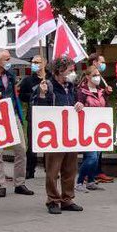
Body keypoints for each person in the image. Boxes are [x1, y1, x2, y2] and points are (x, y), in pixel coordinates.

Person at [33, 56, 86, 214]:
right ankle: (53, 200)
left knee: (70, 169)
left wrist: (79, 104)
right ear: (60, 71)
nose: (73, 73)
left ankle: (67, 199)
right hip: (54, 135)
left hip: (70, 134)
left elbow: (76, 103)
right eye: (70, 70)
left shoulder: (72, 87)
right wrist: (42, 95)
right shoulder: (47, 86)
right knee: (53, 170)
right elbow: (39, 110)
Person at [0, 49, 32, 198]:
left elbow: (14, 93)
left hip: (12, 114)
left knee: (21, 149)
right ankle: (1, 185)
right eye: (7, 59)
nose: (9, 62)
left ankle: (19, 183)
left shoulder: (10, 74)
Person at [77, 59, 110, 191]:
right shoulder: (82, 91)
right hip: (87, 128)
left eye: (98, 75)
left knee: (96, 158)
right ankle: (79, 182)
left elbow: (106, 107)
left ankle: (90, 181)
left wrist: (107, 95)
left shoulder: (101, 91)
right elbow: (79, 104)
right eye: (94, 75)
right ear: (87, 77)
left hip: (100, 128)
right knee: (91, 157)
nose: (97, 77)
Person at [17, 55, 47, 180]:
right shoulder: (28, 80)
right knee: (32, 144)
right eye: (33, 62)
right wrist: (35, 94)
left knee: (48, 144)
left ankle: (49, 168)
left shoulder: (50, 78)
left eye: (37, 62)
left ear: (44, 64)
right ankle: (30, 170)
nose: (34, 64)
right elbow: (22, 96)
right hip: (33, 114)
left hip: (48, 114)